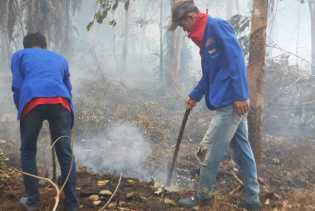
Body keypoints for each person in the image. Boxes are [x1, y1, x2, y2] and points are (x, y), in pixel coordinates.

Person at [169, 0, 261, 209]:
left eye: (184, 26)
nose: (185, 31)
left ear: (191, 18)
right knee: (243, 151)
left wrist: (240, 95)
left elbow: (236, 59)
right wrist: (195, 95)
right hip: (229, 102)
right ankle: (252, 199)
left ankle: (203, 197)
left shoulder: (216, 27)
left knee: (208, 151)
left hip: (231, 103)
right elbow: (210, 75)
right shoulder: (205, 39)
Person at [10, 32, 78, 211]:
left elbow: (17, 86)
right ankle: (72, 204)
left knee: (28, 149)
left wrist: (21, 109)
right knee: (65, 153)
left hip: (32, 100)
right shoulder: (60, 58)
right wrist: (69, 119)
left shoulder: (19, 55)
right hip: (61, 102)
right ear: (44, 45)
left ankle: (32, 199)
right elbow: (68, 90)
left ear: (26, 46)